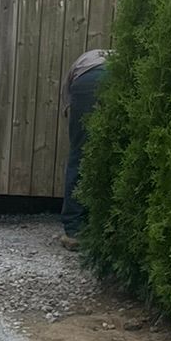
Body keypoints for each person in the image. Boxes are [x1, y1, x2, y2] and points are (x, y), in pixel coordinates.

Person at [61, 48, 109, 238]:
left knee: (79, 154)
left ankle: (74, 228)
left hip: (86, 79)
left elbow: (67, 104)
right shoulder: (123, 57)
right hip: (120, 76)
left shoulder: (77, 69)